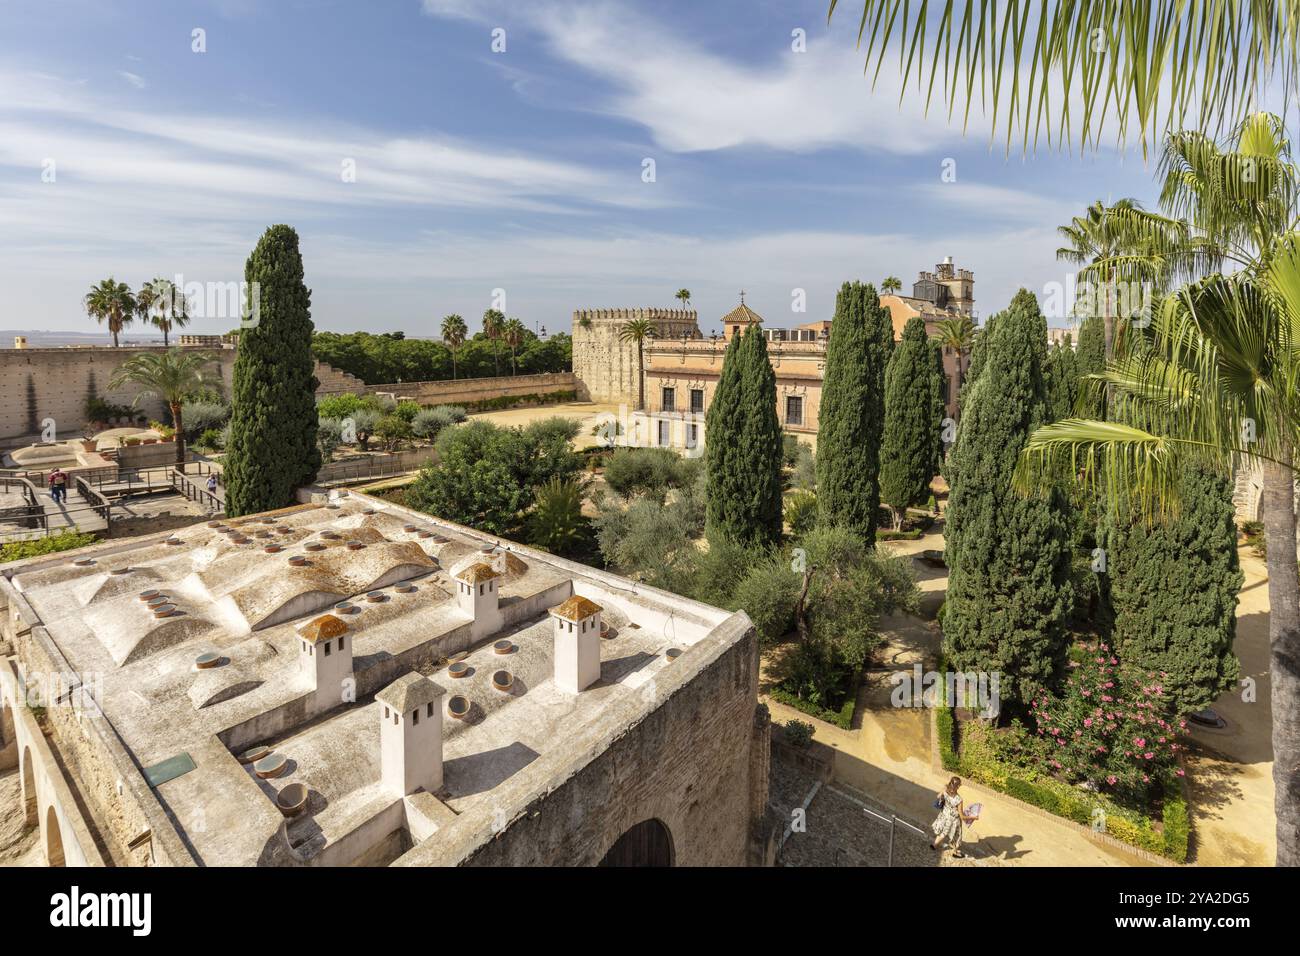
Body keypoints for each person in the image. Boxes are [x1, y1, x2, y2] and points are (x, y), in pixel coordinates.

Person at [930, 775, 977, 858]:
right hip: (953, 820)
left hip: (944, 815)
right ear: (958, 786)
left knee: (943, 832)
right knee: (956, 836)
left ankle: (934, 845)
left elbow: (938, 796)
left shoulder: (945, 790)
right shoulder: (959, 799)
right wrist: (974, 817)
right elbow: (962, 816)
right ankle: (955, 852)